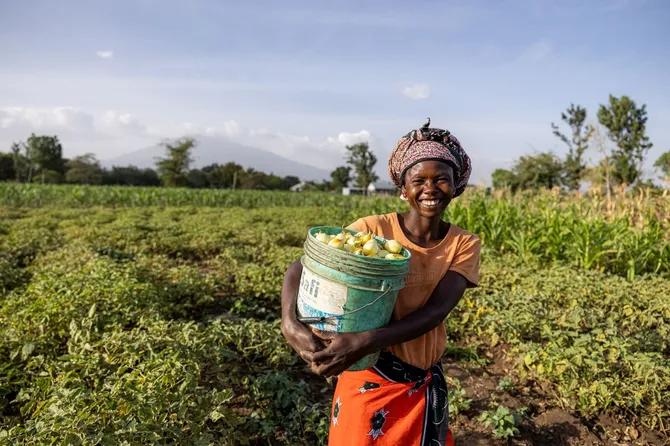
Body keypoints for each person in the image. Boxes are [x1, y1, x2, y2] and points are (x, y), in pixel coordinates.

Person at [280, 120, 480, 446]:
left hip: (419, 381)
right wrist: (289, 320)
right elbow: (303, 266)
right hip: (368, 376)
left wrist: (365, 339)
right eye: (419, 180)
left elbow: (436, 312)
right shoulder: (372, 229)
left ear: (456, 185)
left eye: (441, 179)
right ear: (404, 189)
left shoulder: (463, 243)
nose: (430, 188)